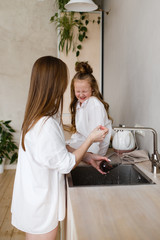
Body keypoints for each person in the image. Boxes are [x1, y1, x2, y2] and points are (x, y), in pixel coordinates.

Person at [11, 56, 109, 240]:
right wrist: (90, 139)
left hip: (35, 201)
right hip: (40, 206)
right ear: (55, 83)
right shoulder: (45, 123)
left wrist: (87, 156)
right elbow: (65, 164)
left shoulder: (37, 117)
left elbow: (55, 150)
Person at [66, 61, 112, 157]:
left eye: (84, 91)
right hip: (86, 142)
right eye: (78, 91)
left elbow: (97, 134)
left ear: (92, 89)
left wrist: (91, 154)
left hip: (96, 148)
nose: (81, 94)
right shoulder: (79, 104)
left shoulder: (94, 104)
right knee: (63, 147)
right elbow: (80, 133)